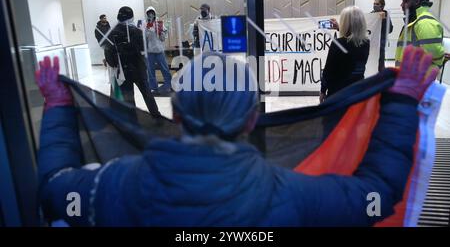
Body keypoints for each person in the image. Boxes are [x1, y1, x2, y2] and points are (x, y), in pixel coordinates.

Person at [36, 44, 437, 226]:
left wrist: (56, 105)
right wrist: (400, 105)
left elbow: (54, 189)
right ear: (250, 120)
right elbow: (376, 199)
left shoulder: (111, 186)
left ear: (176, 114)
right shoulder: (296, 196)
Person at [105, 6, 160, 116]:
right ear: (131, 17)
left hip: (123, 70)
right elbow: (143, 50)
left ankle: (133, 120)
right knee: (147, 94)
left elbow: (108, 55)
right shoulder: (137, 32)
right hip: (138, 68)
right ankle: (157, 117)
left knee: (129, 97)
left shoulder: (111, 33)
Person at [320, 6, 370, 103]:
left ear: (345, 23)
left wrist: (323, 90)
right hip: (358, 89)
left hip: (338, 92)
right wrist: (339, 28)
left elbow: (328, 70)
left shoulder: (338, 43)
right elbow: (352, 46)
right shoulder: (366, 43)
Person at [395, 0, 444, 70]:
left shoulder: (425, 22)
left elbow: (434, 53)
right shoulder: (414, 21)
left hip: (418, 78)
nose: (402, 5)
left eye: (406, 1)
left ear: (417, 1)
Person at [142, 6, 172, 94]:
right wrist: (147, 29)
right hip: (149, 51)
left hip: (159, 51)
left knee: (165, 69)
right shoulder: (144, 24)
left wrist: (161, 32)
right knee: (150, 70)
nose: (150, 14)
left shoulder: (159, 23)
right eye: (149, 13)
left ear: (154, 13)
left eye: (152, 13)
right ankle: (153, 87)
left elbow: (163, 38)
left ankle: (168, 85)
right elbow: (143, 38)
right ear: (147, 14)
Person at [372, 0, 393, 71]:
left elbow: (390, 29)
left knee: (380, 61)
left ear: (382, 6)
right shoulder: (371, 15)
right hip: (372, 42)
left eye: (377, 4)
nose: (375, 5)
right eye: (374, 4)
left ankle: (381, 75)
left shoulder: (386, 16)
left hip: (381, 42)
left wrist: (384, 19)